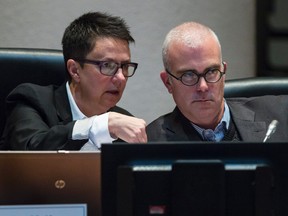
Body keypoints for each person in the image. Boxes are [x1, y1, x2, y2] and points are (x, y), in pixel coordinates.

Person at [0, 12, 147, 150]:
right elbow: (32, 148)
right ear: (75, 70)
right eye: (108, 65)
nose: (121, 77)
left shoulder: (123, 124)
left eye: (125, 66)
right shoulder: (31, 101)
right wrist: (100, 126)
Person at [147, 21, 288, 142]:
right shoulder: (150, 142)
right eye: (188, 75)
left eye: (211, 71)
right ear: (168, 82)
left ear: (224, 72)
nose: (203, 86)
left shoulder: (281, 115)